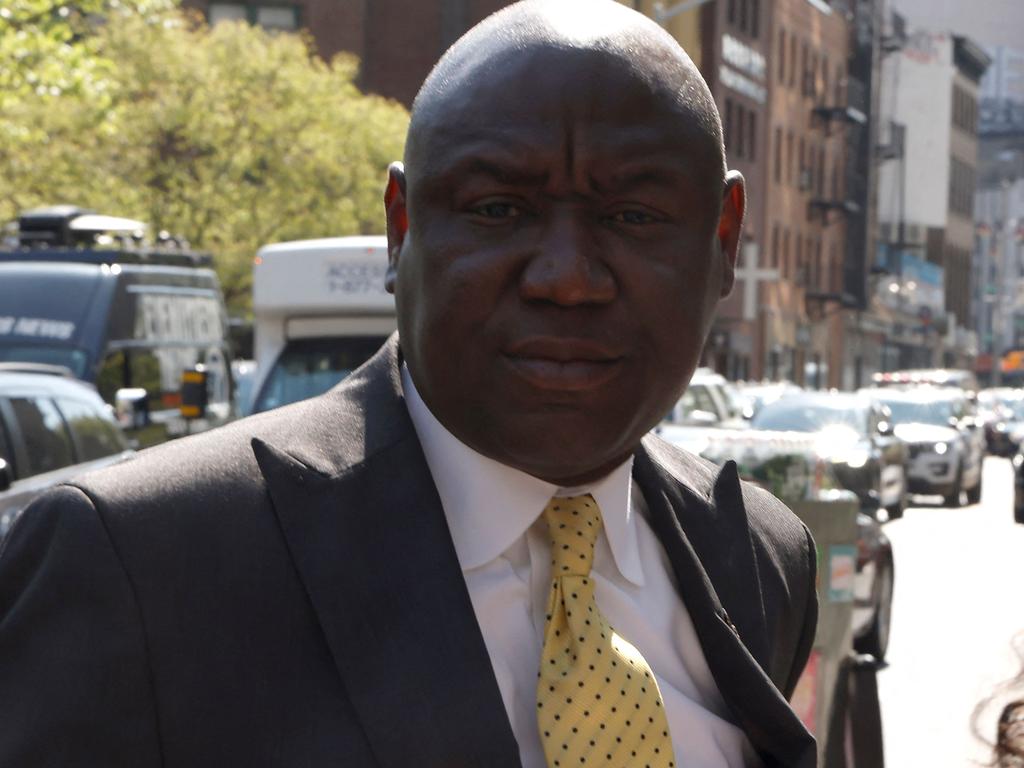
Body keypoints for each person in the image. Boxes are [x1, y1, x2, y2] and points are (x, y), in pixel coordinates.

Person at [0, 1, 818, 766]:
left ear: (723, 242)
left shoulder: (759, 555)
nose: (567, 278)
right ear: (401, 228)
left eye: (634, 217)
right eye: (499, 209)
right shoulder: (140, 563)